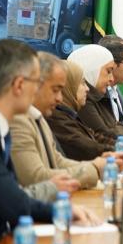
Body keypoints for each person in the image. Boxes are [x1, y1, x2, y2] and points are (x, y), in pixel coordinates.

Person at [0, 39, 98, 244]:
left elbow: (14, 195)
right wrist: (60, 211)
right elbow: (14, 203)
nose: (38, 89)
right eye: (36, 81)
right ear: (19, 85)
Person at [10, 52, 113, 189]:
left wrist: (95, 166)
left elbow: (57, 161)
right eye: (55, 90)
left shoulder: (39, 117)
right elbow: (36, 178)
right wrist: (94, 168)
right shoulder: (18, 121)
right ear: (34, 86)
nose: (60, 98)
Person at [67, 45, 123, 156]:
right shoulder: (85, 102)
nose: (112, 79)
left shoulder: (97, 96)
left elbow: (116, 126)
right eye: (108, 71)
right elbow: (103, 136)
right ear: (92, 71)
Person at [47, 61, 122, 160]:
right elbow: (87, 148)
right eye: (82, 83)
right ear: (68, 87)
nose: (87, 89)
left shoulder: (69, 115)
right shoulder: (57, 118)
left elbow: (96, 137)